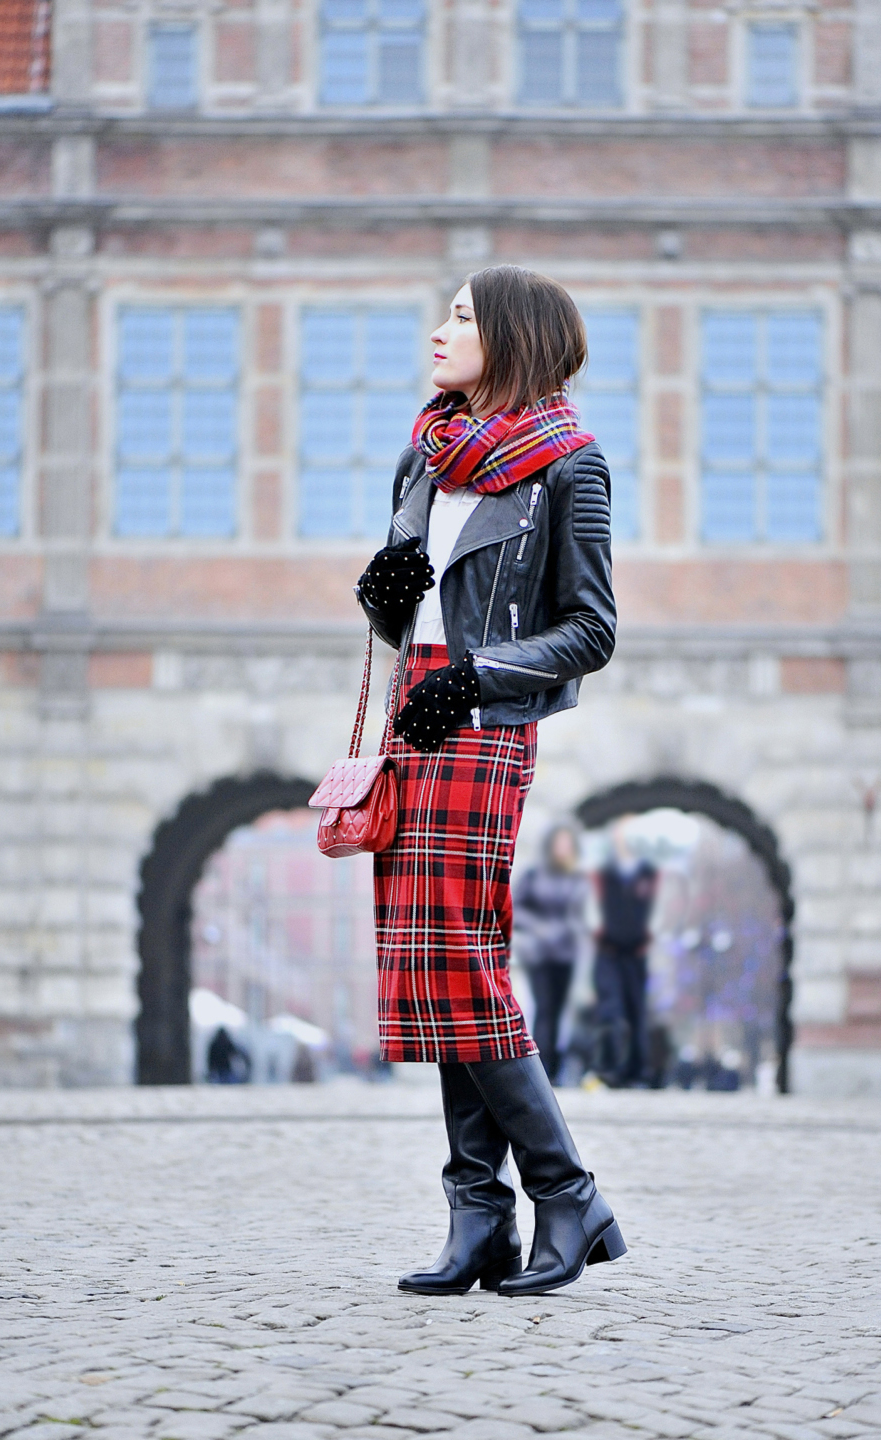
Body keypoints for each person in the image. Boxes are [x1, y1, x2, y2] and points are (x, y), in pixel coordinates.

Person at [356, 266, 626, 1298]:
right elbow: (406, 614)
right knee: (434, 970)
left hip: (481, 725)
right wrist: (381, 596)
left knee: (462, 962)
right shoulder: (426, 455)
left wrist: (477, 676)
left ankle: (566, 1192)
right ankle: (479, 1217)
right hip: (413, 718)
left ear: (510, 337)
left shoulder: (570, 465)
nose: (439, 330)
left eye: (461, 317)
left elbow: (591, 629)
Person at [513, 823, 587, 1083]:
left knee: (558, 1011)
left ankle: (553, 1069)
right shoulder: (534, 875)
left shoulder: (576, 878)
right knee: (544, 1008)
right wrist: (539, 928)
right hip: (539, 953)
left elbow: (581, 915)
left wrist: (572, 929)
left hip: (565, 954)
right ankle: (540, 1068)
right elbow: (515, 908)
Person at [593, 823, 659, 1088]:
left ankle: (637, 1071)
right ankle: (609, 1068)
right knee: (610, 1011)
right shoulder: (603, 872)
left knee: (636, 1011)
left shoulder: (648, 872)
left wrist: (652, 936)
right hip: (608, 951)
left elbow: (659, 910)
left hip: (636, 952)